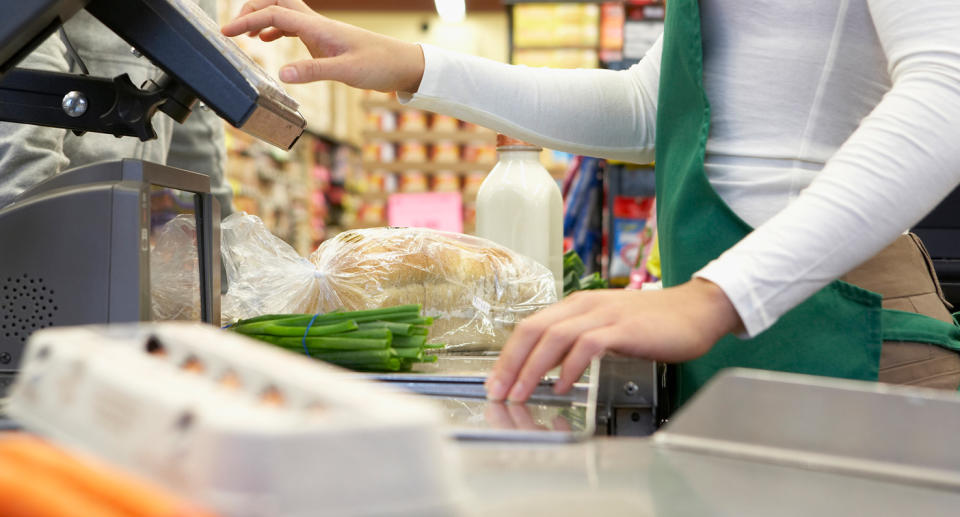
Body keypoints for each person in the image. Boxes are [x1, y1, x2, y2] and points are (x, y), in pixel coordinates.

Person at [222, 0, 960, 407]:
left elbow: (948, 90)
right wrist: (417, 65)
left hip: (847, 338)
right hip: (753, 338)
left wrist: (714, 296)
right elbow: (648, 106)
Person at [0, 0, 231, 215]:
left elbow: (196, 111)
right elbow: (21, 45)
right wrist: (31, 214)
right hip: (48, 212)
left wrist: (218, 229)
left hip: (125, 221)